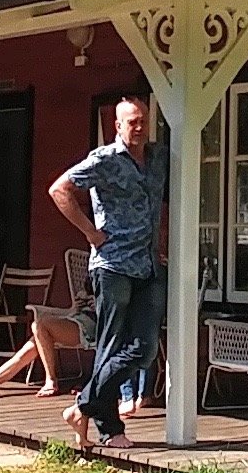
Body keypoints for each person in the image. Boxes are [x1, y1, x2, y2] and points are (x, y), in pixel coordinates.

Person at [48, 94, 172, 451]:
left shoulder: (159, 158)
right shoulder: (104, 160)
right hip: (113, 265)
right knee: (111, 345)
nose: (138, 127)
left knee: (145, 349)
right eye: (131, 121)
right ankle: (109, 427)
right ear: (117, 126)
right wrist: (91, 232)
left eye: (143, 120)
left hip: (149, 265)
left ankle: (82, 406)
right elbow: (60, 190)